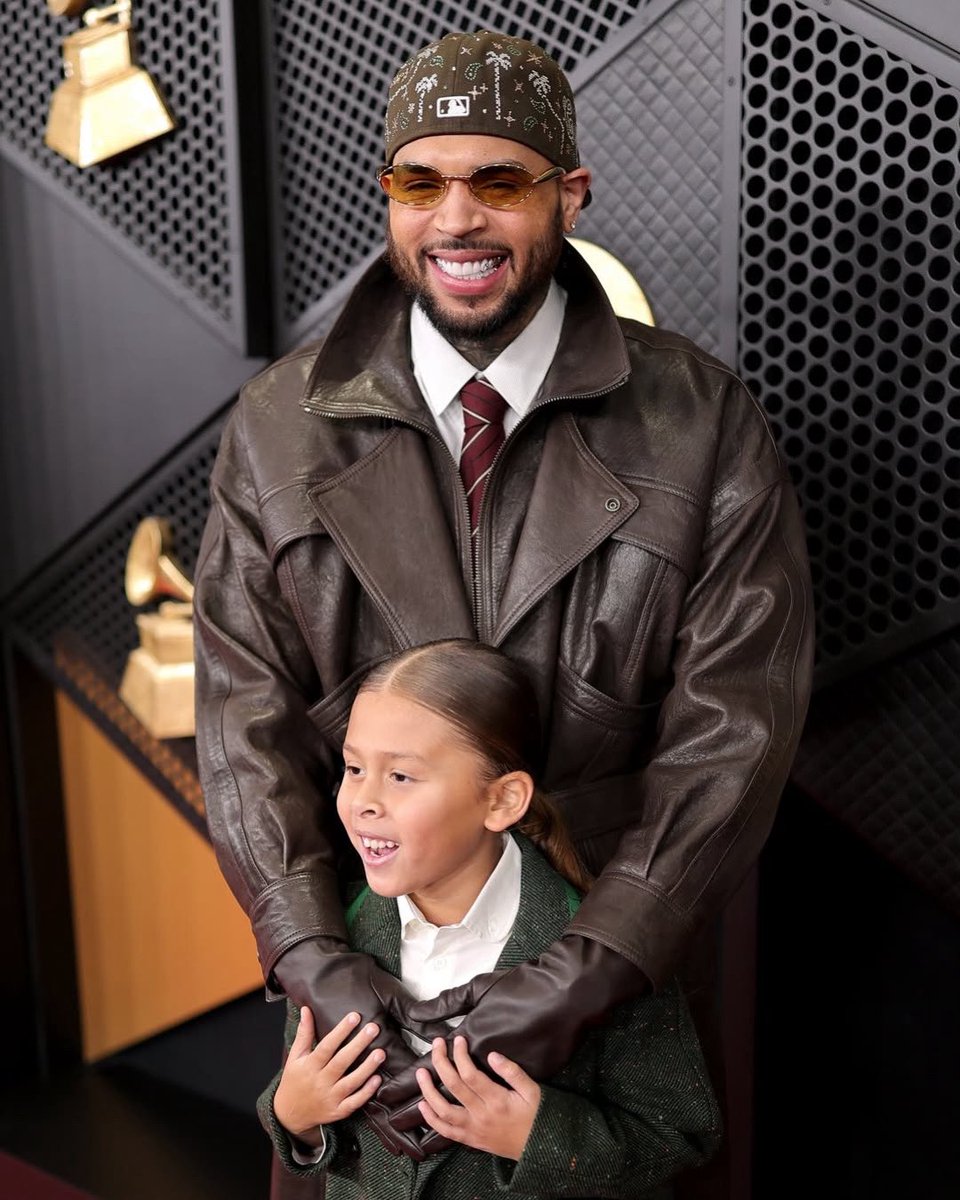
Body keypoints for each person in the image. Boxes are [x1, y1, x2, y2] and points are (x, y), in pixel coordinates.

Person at [193, 26, 813, 1172]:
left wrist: (587, 973)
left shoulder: (703, 418)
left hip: (626, 973)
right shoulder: (276, 427)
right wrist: (318, 962)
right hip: (362, 989)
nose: (457, 219)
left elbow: (741, 727)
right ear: (388, 198)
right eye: (420, 182)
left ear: (568, 195)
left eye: (500, 182)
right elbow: (241, 722)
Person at [258, 640, 722, 1198]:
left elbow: (678, 1134)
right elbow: (304, 1117)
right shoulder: (334, 931)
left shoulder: (606, 950)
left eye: (400, 777)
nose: (362, 801)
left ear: (502, 801)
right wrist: (291, 1114)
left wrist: (536, 1134)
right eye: (354, 768)